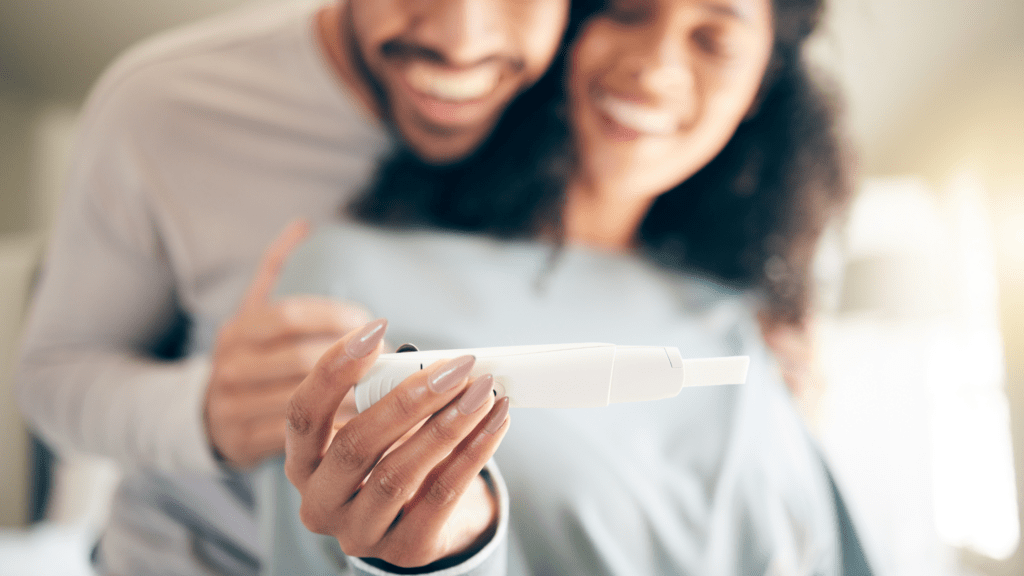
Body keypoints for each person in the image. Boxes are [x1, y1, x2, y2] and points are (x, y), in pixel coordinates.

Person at [262, 0, 866, 574]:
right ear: (568, 32)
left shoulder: (747, 320)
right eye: (627, 11)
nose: (654, 68)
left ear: (761, 84)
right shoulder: (345, 279)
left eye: (714, 39)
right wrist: (450, 550)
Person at [15, 1, 575, 574]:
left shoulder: (600, 108)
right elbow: (51, 377)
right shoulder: (165, 106)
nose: (461, 42)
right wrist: (206, 412)